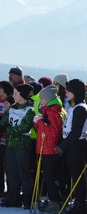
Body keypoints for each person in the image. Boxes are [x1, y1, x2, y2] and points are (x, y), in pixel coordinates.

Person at [0, 84, 35, 209]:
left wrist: (7, 130)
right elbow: (5, 121)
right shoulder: (13, 108)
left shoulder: (29, 110)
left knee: (23, 171)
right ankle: (14, 197)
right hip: (10, 144)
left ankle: (27, 198)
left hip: (22, 144)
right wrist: (0, 127)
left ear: (22, 95)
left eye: (15, 94)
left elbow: (24, 128)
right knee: (12, 171)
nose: (13, 96)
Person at [55, 79, 87, 214]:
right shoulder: (74, 106)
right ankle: (77, 201)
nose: (66, 93)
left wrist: (62, 146)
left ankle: (81, 203)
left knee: (78, 176)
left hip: (77, 146)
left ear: (76, 92)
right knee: (73, 175)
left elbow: (75, 133)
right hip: (71, 146)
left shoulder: (80, 108)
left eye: (69, 91)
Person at [33, 85, 65, 214]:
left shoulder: (53, 111)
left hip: (50, 148)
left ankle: (55, 201)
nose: (40, 101)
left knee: (49, 176)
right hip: (46, 147)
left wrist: (39, 122)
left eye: (42, 99)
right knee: (49, 175)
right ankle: (54, 199)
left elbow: (53, 132)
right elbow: (44, 129)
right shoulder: (49, 110)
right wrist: (38, 122)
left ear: (48, 99)